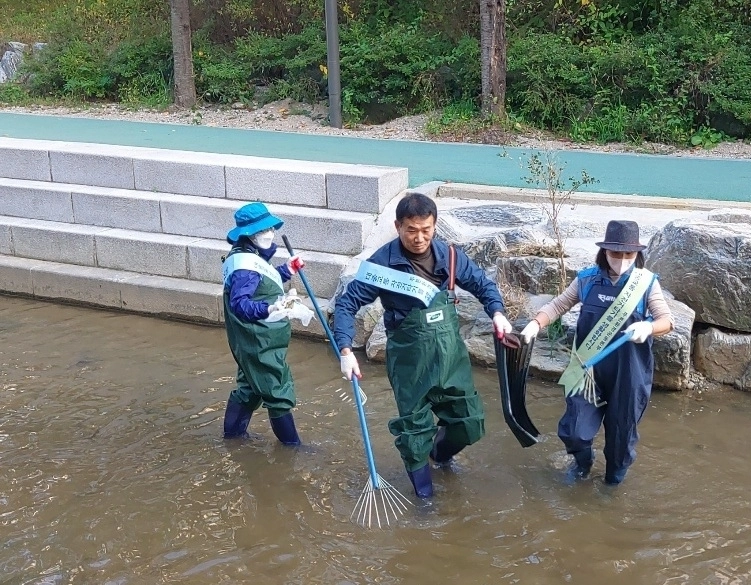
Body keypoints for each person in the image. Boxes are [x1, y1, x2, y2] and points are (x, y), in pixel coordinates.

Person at [333, 192, 512, 498]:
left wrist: (497, 313)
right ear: (397, 227)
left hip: (450, 359)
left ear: (435, 225)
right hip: (409, 361)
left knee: (469, 422)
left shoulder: (452, 258)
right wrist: (346, 350)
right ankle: (425, 500)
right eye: (411, 230)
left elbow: (483, 285)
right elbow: (347, 303)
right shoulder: (381, 266)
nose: (419, 238)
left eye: (426, 230)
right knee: (414, 432)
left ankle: (439, 456)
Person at [519, 220, 673, 485]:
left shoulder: (646, 284)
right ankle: (583, 462)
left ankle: (613, 481)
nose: (622, 260)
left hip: (630, 373)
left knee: (621, 436)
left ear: (637, 255)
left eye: (629, 254)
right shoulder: (587, 280)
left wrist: (648, 328)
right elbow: (557, 306)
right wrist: (535, 324)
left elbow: (666, 321)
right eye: (616, 253)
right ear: (604, 252)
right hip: (588, 370)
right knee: (575, 431)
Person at [221, 202, 306, 445]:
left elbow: (265, 281)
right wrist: (269, 308)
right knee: (275, 388)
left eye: (270, 229)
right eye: (262, 231)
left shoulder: (249, 256)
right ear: (248, 234)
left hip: (254, 338)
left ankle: (232, 437)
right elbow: (241, 304)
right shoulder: (244, 268)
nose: (268, 234)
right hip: (258, 339)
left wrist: (288, 270)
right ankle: (292, 448)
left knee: (249, 385)